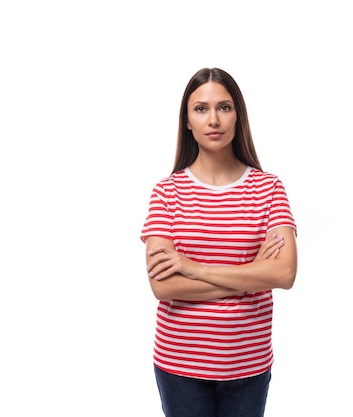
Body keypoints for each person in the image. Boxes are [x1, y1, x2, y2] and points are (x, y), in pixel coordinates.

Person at [140, 67, 298, 417]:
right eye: (201, 108)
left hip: (248, 363)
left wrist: (192, 267)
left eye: (224, 107)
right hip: (179, 363)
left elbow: (284, 274)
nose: (214, 119)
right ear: (187, 121)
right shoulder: (166, 193)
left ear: (238, 115)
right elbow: (163, 287)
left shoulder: (269, 189)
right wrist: (254, 271)